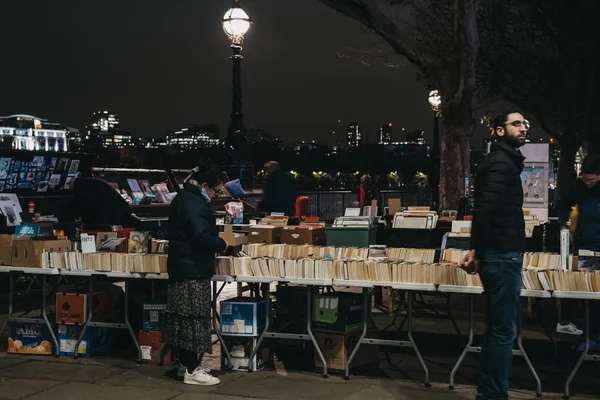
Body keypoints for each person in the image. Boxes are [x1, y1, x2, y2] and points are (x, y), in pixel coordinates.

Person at [461, 109, 529, 400]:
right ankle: (493, 394)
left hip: (500, 252)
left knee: (497, 330)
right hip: (502, 254)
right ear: (499, 131)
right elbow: (485, 210)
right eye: (516, 124)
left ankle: (489, 392)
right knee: (503, 331)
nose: (524, 128)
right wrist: (476, 249)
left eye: (525, 123)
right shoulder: (502, 164)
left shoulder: (503, 161)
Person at [164, 162, 229, 386]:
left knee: (182, 320)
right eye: (214, 189)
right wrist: (221, 243)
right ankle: (193, 370)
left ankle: (186, 365)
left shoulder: (184, 197)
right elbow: (200, 235)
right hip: (191, 269)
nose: (215, 193)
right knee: (193, 320)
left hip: (182, 267)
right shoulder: (194, 203)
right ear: (204, 185)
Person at [557, 156, 600, 340]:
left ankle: (594, 331)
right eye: (585, 179)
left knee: (596, 290)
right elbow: (562, 206)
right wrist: (563, 225)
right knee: (584, 286)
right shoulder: (578, 186)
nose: (588, 183)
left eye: (592, 180)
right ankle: (589, 330)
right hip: (585, 242)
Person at [69, 175, 134, 227]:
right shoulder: (90, 182)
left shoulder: (83, 187)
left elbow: (86, 204)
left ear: (73, 185)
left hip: (111, 213)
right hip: (119, 211)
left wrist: (81, 217)